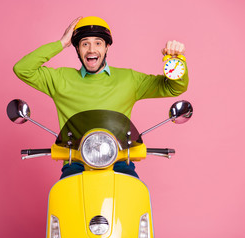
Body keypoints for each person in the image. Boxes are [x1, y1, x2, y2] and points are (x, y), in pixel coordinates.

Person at [13, 16, 189, 179]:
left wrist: (176, 60)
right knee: (62, 207)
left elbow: (174, 87)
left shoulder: (128, 79)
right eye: (84, 44)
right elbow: (22, 69)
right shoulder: (60, 79)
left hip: (120, 162)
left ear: (106, 47)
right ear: (76, 49)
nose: (92, 49)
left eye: (98, 43)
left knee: (135, 205)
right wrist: (62, 43)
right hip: (76, 163)